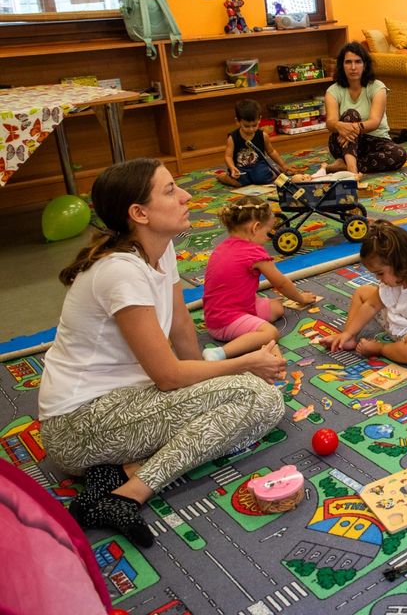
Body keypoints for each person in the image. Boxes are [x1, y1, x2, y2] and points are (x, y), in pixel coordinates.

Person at [37, 158, 286, 546]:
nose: (187, 196)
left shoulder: (159, 249)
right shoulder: (119, 271)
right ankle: (128, 493)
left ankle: (116, 471)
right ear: (139, 213)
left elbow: (183, 331)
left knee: (251, 396)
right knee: (261, 398)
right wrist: (246, 365)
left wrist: (219, 379)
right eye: (170, 191)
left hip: (124, 406)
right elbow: (168, 376)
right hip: (78, 426)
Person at [323, 221, 407, 376]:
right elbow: (371, 305)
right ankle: (349, 339)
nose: (379, 278)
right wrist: (348, 333)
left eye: (380, 273)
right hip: (394, 318)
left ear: (401, 264)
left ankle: (380, 348)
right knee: (362, 292)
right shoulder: (392, 280)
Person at [201, 195, 319, 361]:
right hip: (225, 322)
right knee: (270, 333)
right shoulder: (254, 252)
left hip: (217, 312)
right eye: (267, 232)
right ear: (255, 228)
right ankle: (220, 353)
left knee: (277, 307)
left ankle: (247, 329)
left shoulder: (222, 247)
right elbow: (282, 283)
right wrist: (300, 298)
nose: (268, 238)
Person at [323, 41, 407, 177]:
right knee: (351, 114)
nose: (353, 67)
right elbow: (330, 122)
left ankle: (342, 166)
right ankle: (351, 170)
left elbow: (374, 122)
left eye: (358, 62)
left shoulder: (377, 87)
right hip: (341, 143)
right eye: (348, 62)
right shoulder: (333, 91)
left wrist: (351, 128)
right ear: (342, 66)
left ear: (365, 65)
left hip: (375, 141)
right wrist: (339, 126)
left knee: (399, 155)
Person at [219, 99, 300, 187]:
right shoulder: (232, 137)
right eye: (246, 126)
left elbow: (271, 152)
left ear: (259, 119)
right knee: (239, 183)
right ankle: (223, 177)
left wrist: (283, 165)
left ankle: (276, 169)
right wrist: (232, 168)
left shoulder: (263, 135)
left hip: (258, 165)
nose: (251, 129)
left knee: (261, 179)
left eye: (254, 125)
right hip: (240, 168)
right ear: (237, 121)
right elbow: (228, 156)